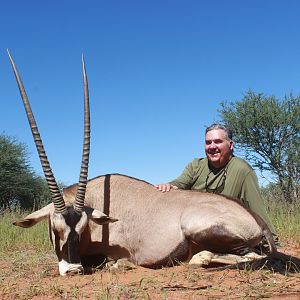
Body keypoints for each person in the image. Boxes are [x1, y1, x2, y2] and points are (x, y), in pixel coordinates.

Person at [155, 123, 276, 234]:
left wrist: (272, 240)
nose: (212, 147)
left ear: (231, 145)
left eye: (218, 142)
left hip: (224, 230)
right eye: (208, 142)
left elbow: (256, 207)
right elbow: (180, 183)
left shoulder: (242, 169)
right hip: (194, 226)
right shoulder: (195, 165)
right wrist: (168, 186)